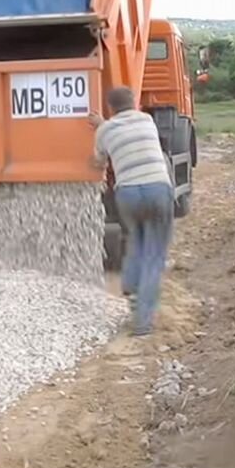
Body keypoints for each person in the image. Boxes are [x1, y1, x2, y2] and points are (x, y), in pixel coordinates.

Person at [89, 87, 173, 336]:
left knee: (136, 239)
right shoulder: (147, 121)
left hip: (127, 193)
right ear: (134, 103)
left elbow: (100, 163)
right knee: (154, 253)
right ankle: (142, 323)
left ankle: (130, 284)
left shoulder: (104, 131)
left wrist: (100, 126)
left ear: (110, 107)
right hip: (157, 188)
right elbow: (127, 126)